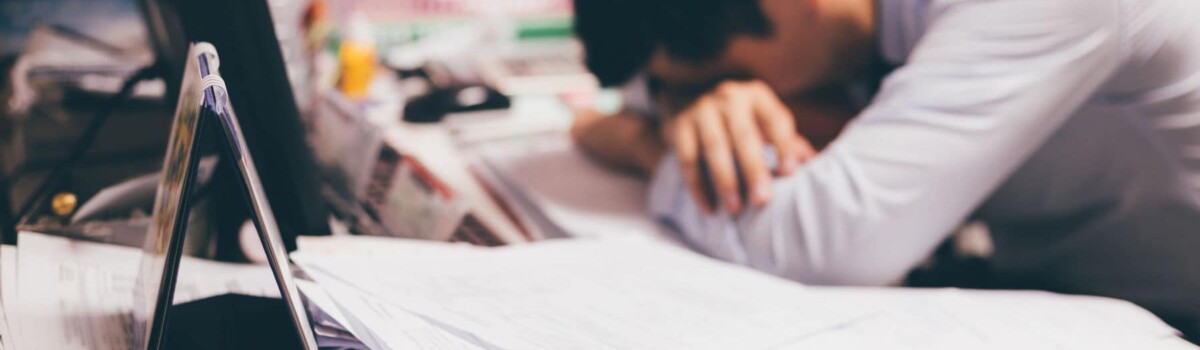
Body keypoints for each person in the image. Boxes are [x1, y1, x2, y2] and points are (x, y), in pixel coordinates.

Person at [570, 0, 1200, 338]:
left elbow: (825, 247)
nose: (741, 100)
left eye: (730, 78)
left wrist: (651, 150)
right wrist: (670, 111)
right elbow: (622, 102)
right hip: (1063, 298)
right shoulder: (850, 35)